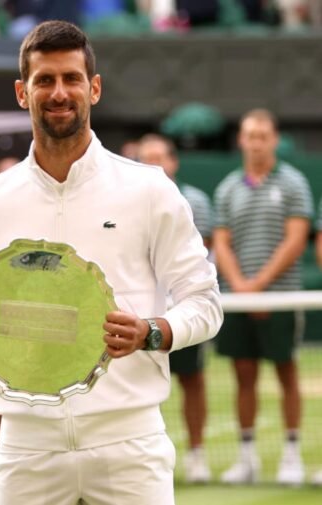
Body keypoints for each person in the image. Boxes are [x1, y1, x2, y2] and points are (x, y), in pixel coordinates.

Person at [0, 21, 222, 504]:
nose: (59, 92)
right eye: (44, 80)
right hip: (26, 447)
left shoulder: (148, 189)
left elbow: (205, 303)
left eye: (71, 78)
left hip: (128, 444)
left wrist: (151, 332)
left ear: (94, 88)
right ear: (22, 93)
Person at [213, 108, 312, 486]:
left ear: (274, 140)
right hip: (237, 299)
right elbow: (221, 242)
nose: (255, 143)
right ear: (241, 140)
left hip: (282, 299)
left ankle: (292, 456)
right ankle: (246, 459)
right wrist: (241, 287)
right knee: (243, 376)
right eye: (250, 136)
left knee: (287, 373)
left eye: (262, 136)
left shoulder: (294, 183)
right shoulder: (228, 188)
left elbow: (295, 239)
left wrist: (260, 286)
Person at [137, 133, 214, 483]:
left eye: (160, 157)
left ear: (173, 161)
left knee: (192, 380)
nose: (154, 164)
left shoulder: (194, 199)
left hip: (183, 311)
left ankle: (197, 456)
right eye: (146, 158)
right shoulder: (126, 200)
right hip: (138, 316)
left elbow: (202, 256)